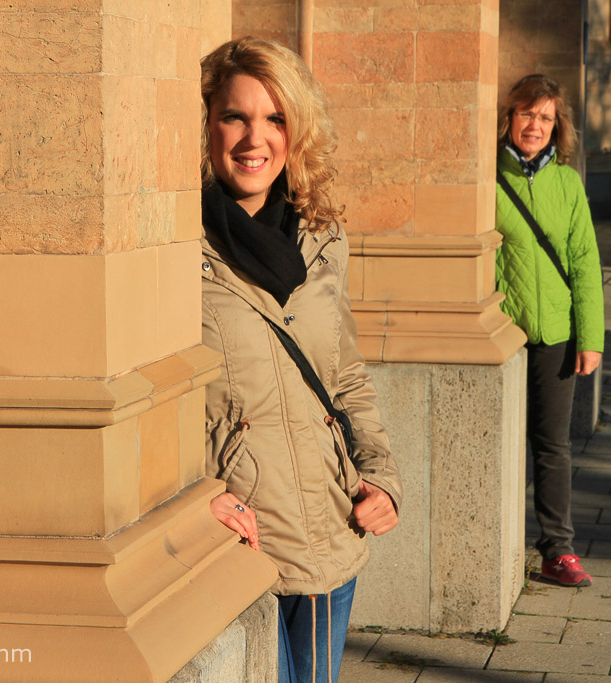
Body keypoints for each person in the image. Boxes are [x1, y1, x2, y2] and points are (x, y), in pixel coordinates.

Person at [199, 36, 402, 683]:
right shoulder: (177, 250)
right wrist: (192, 500)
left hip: (327, 530)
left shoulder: (322, 234)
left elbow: (343, 375)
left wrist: (382, 476)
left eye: (274, 118)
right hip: (237, 541)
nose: (253, 138)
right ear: (206, 123)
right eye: (235, 115)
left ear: (296, 131)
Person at [494, 74, 605, 587]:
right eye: (526, 114)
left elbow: (584, 263)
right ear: (508, 118)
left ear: (556, 125)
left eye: (545, 117)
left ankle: (557, 550)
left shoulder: (567, 183)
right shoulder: (487, 178)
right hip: (506, 330)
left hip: (558, 332)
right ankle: (496, 542)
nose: (534, 125)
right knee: (504, 443)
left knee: (552, 445)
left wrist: (591, 338)